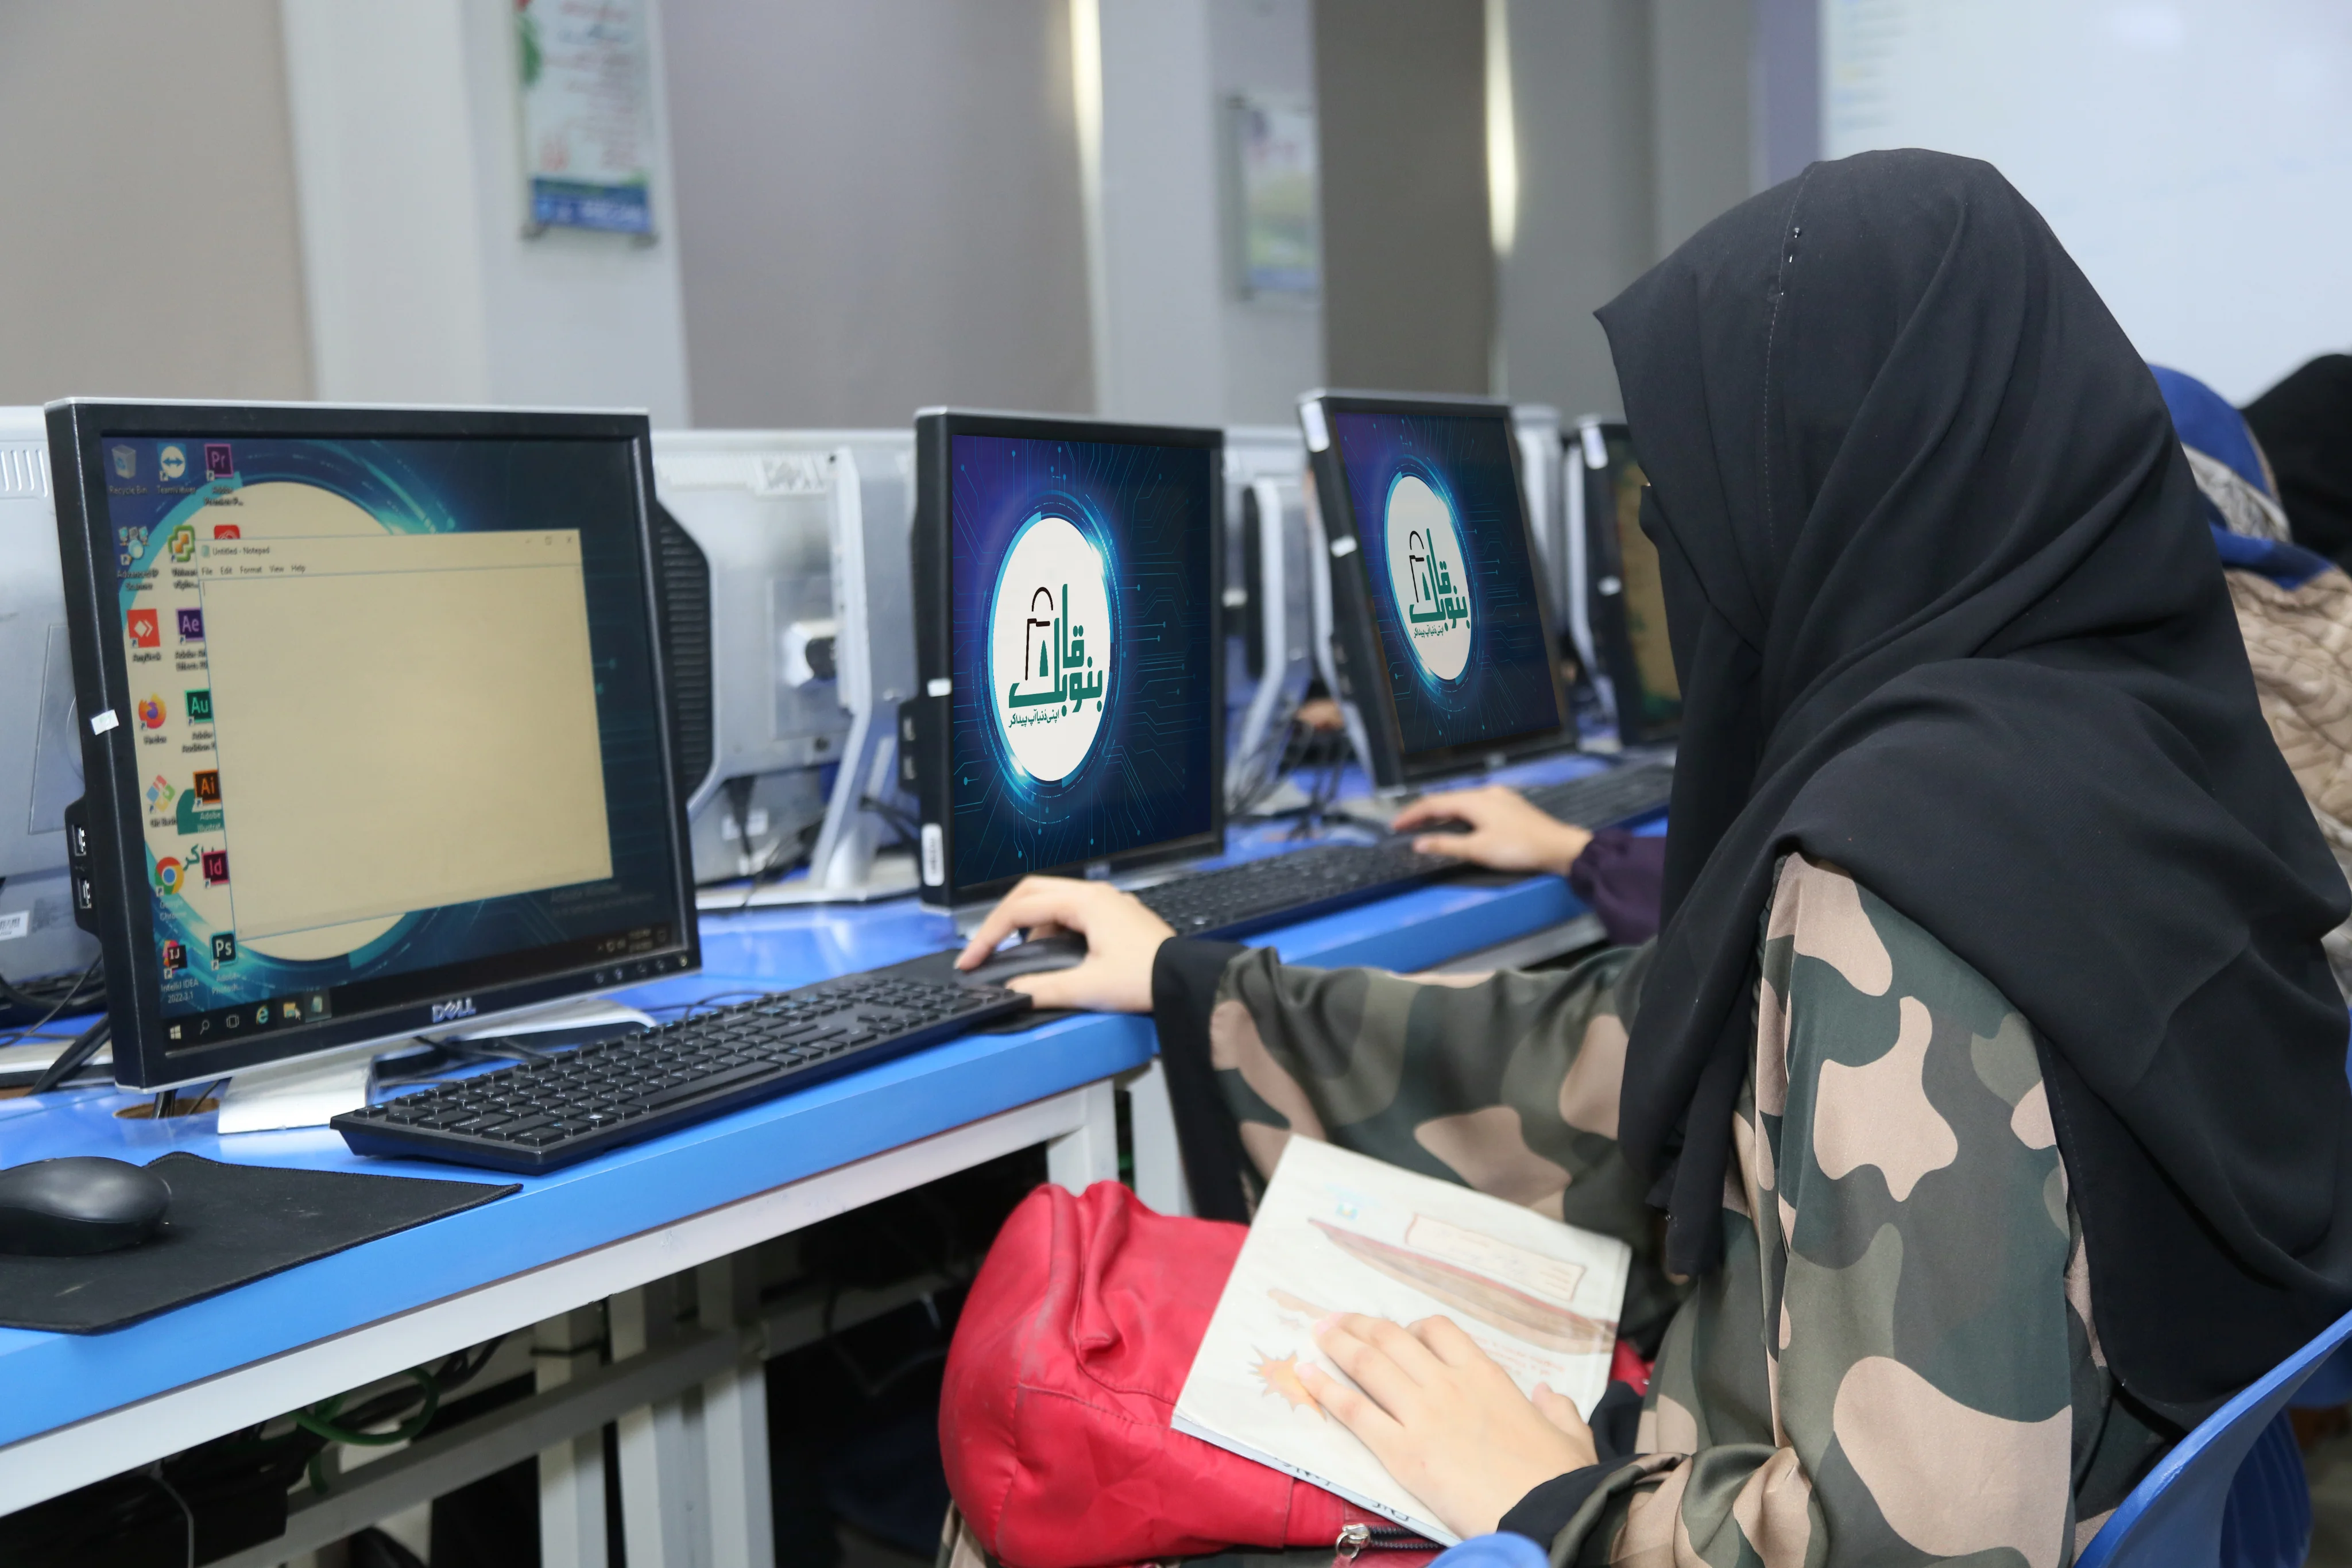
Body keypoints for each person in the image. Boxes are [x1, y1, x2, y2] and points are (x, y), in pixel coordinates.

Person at [951, 150, 2352, 1565]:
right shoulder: (2143, 745)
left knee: (1056, 1442)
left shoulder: (1894, 880)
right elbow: (1662, 1041)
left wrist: (1550, 1502)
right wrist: (1205, 986)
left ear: (1825, 482)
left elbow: (1915, 1546)